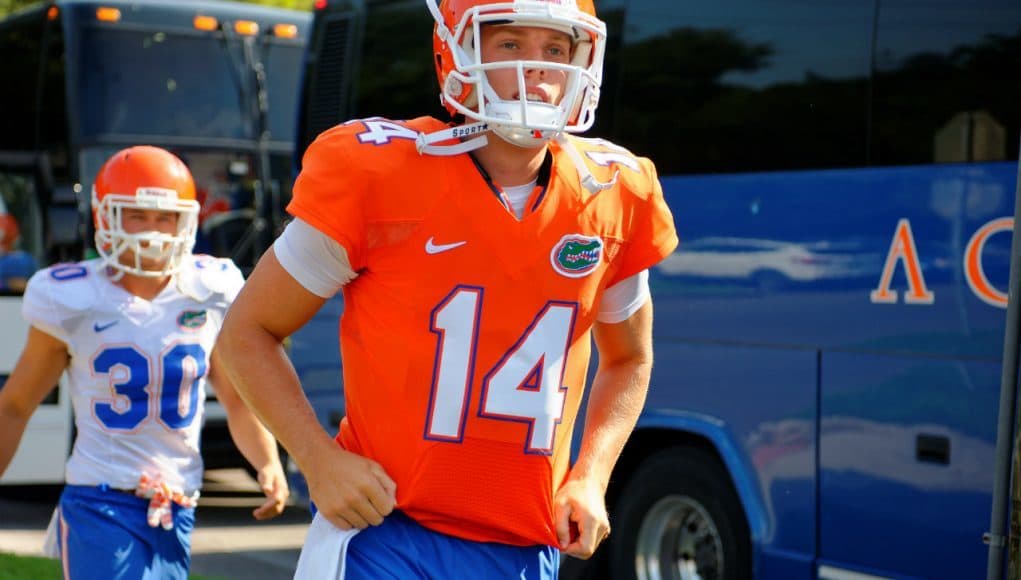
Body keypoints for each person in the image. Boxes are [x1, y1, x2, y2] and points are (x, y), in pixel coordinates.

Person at [216, 0, 677, 577]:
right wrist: (318, 460)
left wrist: (591, 473)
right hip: (386, 535)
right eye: (510, 45)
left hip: (525, 547)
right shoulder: (377, 173)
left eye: (555, 49)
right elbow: (246, 331)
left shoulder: (613, 191)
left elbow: (629, 357)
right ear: (453, 53)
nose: (536, 68)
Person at [0, 146, 289, 580]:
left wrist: (267, 463)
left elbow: (237, 399)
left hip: (178, 500)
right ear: (105, 217)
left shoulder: (210, 289)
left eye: (164, 217)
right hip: (100, 497)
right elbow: (16, 405)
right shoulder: (72, 296)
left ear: (186, 220)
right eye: (136, 215)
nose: (151, 232)